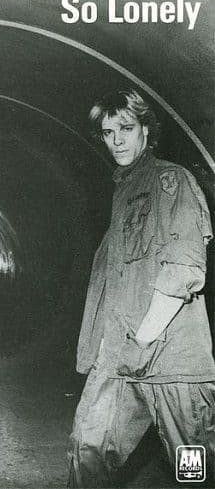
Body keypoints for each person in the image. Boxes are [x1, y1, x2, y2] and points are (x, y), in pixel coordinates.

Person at [68, 89, 215, 487]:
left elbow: (183, 269)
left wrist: (143, 340)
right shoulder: (124, 190)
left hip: (171, 361)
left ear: (146, 130)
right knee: (88, 449)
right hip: (120, 358)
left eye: (126, 129)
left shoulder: (172, 181)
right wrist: (106, 346)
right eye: (108, 132)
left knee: (194, 471)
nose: (116, 140)